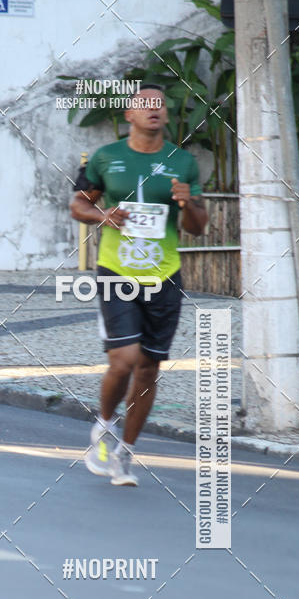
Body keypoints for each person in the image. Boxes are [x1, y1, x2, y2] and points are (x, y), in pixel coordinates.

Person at [70, 84, 208, 486]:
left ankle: (125, 455)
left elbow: (197, 229)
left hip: (164, 274)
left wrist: (190, 203)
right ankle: (106, 422)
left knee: (149, 368)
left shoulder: (183, 163)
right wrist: (103, 216)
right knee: (124, 360)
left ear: (165, 116)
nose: (153, 110)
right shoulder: (106, 158)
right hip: (117, 271)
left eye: (159, 106)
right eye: (144, 105)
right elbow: (79, 203)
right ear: (129, 114)